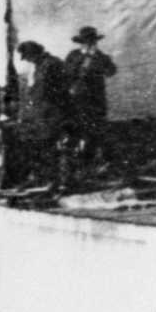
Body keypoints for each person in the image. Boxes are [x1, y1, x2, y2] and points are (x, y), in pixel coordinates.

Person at [10, 40, 68, 190]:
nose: (27, 61)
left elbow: (61, 92)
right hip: (36, 115)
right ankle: (37, 178)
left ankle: (51, 180)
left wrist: (57, 113)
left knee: (48, 146)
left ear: (34, 54)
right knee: (34, 146)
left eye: (28, 57)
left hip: (50, 115)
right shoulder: (37, 66)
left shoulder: (53, 64)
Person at [63, 25, 118, 175]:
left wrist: (97, 58)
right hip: (75, 102)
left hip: (95, 103)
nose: (89, 43)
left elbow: (111, 71)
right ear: (81, 42)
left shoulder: (101, 56)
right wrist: (83, 61)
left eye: (92, 41)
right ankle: (72, 170)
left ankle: (88, 166)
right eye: (86, 41)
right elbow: (66, 72)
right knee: (74, 134)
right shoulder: (73, 55)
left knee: (93, 134)